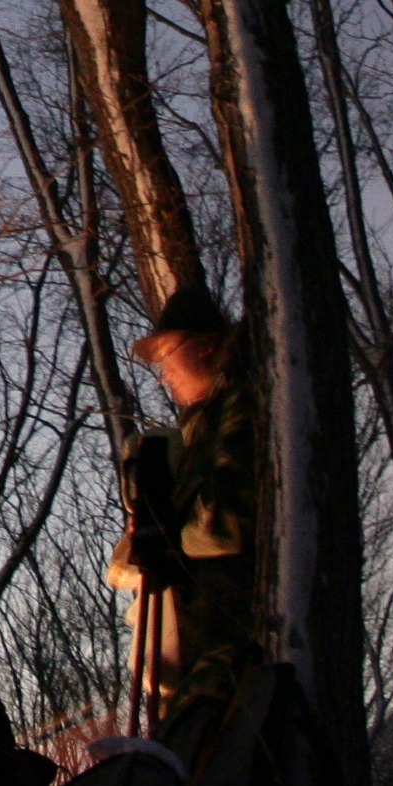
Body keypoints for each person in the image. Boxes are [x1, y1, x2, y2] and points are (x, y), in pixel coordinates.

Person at [105, 284, 261, 714]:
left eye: (168, 353)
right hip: (197, 657)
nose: (162, 373)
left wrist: (163, 543)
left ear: (208, 346)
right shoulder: (195, 435)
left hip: (232, 648)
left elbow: (227, 525)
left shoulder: (242, 407)